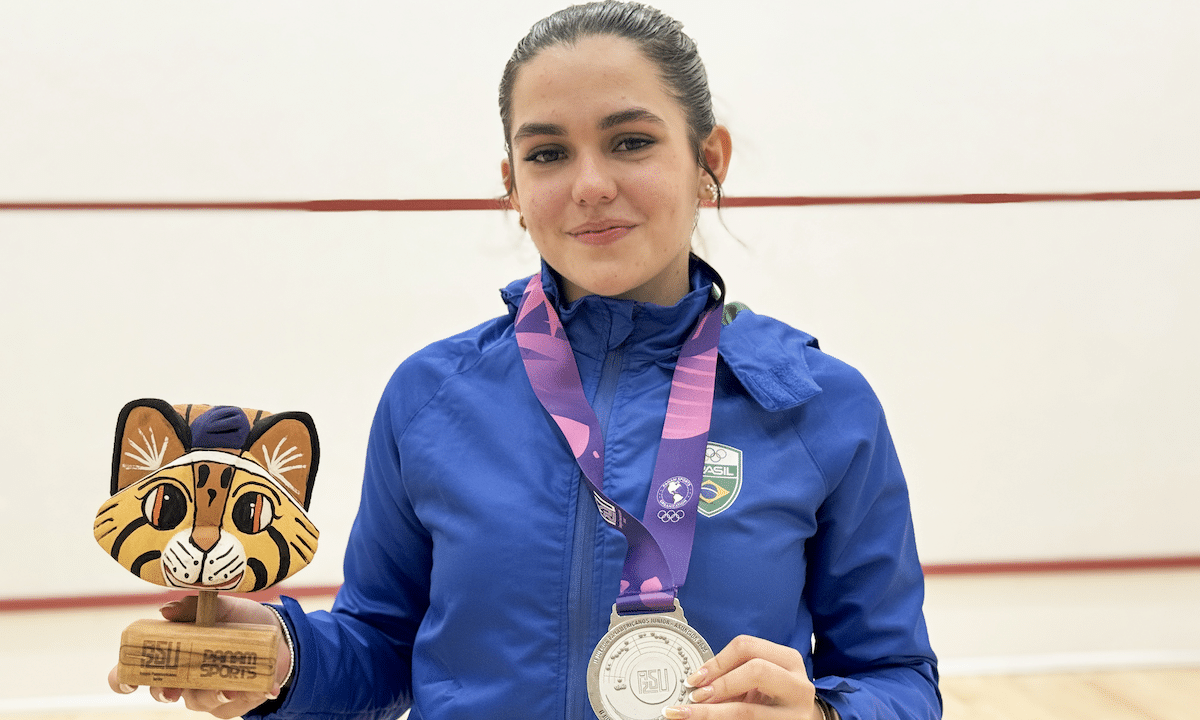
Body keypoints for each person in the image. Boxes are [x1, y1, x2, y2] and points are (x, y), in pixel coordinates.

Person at [110, 2, 941, 718]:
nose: (589, 184)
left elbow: (899, 678)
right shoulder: (430, 397)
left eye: (630, 142)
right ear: (511, 184)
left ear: (708, 160)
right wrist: (288, 655)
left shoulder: (820, 405)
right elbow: (383, 646)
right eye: (547, 154)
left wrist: (826, 713)